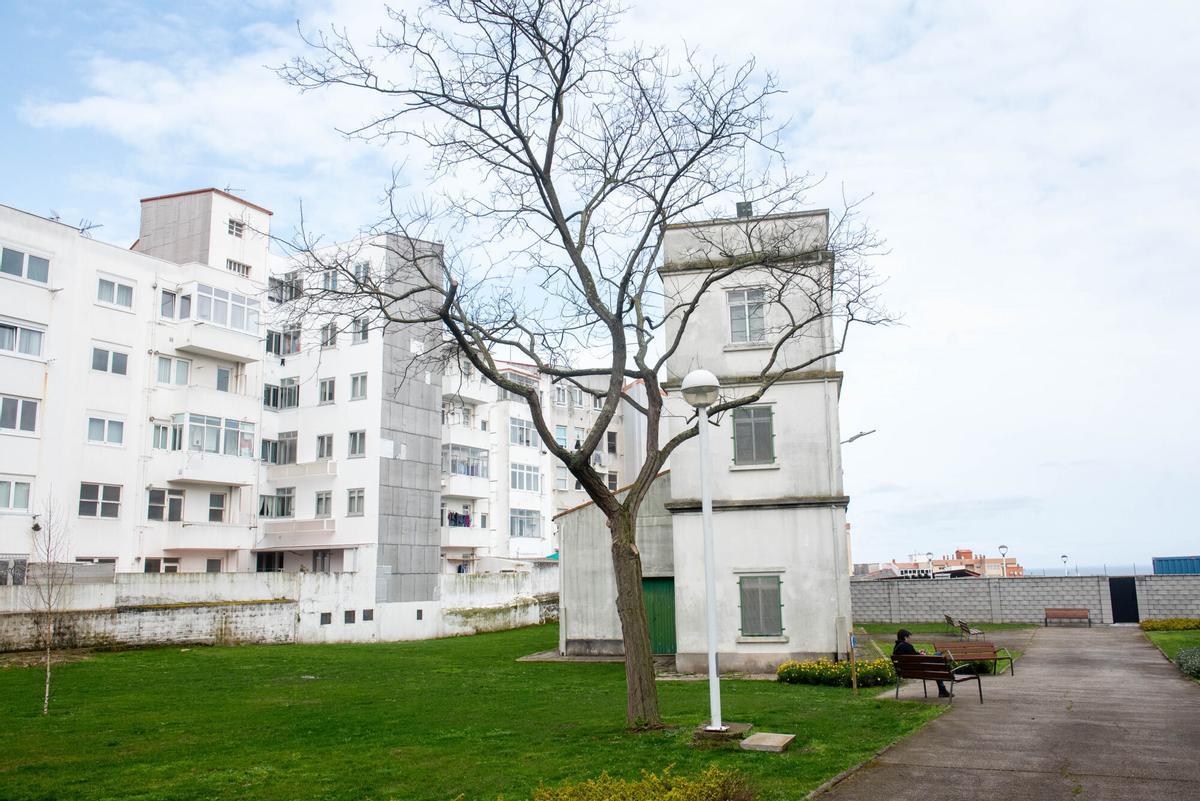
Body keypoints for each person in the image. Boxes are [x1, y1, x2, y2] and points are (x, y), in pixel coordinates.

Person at [893, 629, 950, 697]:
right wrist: (922, 654)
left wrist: (919, 654)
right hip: (919, 670)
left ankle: (942, 690)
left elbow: (913, 655)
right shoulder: (907, 646)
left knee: (936, 666)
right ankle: (942, 690)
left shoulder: (896, 647)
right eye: (910, 637)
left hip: (905, 671)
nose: (911, 639)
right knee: (937, 655)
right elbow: (916, 658)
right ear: (905, 637)